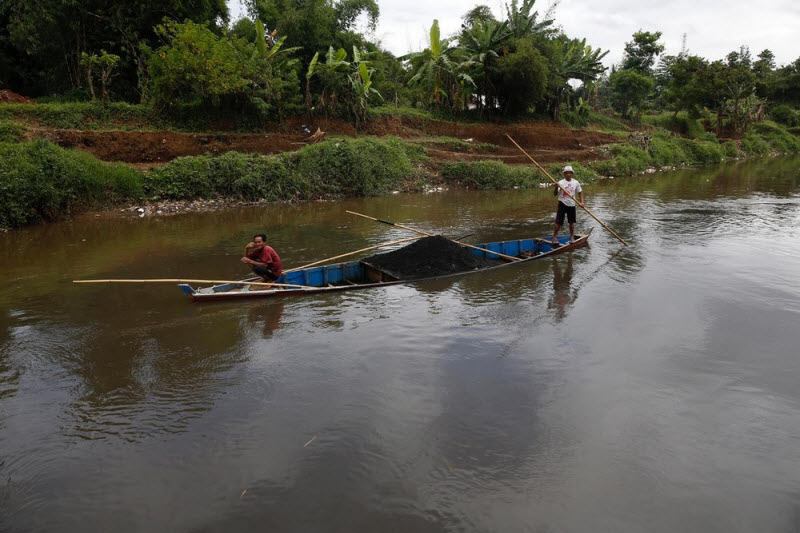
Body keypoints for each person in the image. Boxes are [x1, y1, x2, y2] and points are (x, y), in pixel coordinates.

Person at [552, 165, 584, 244]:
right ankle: (554, 237)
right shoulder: (561, 182)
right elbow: (555, 194)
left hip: (572, 204)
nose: (568, 174)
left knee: (571, 222)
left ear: (572, 174)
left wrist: (581, 202)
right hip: (562, 203)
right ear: (564, 174)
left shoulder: (575, 182)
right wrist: (556, 187)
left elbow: (580, 192)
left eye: (570, 173)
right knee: (558, 222)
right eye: (566, 173)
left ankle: (572, 237)